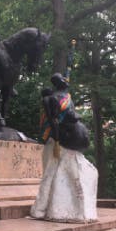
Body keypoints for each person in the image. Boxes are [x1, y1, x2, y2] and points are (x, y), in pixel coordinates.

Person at [30, 73, 99, 223]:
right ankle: (42, 209)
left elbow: (70, 115)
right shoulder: (52, 98)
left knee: (68, 173)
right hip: (59, 139)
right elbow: (53, 120)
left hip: (70, 138)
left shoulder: (67, 97)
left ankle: (50, 209)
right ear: (58, 83)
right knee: (50, 173)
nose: (66, 81)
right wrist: (56, 139)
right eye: (63, 80)